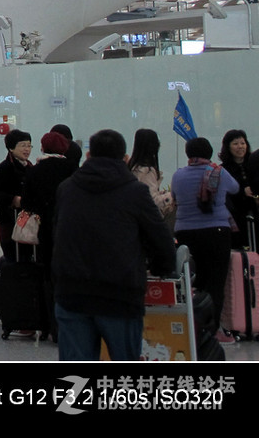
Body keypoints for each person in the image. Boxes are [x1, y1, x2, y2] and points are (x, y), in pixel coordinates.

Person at [51, 128, 177, 361]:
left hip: (72, 294)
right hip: (120, 296)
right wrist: (161, 267)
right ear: (125, 158)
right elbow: (161, 240)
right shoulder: (136, 192)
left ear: (88, 156)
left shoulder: (67, 189)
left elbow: (54, 235)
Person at [173, 135, 239, 346]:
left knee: (195, 281)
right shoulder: (219, 172)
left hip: (185, 233)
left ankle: (194, 326)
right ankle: (212, 330)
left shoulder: (178, 175)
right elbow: (235, 188)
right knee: (216, 282)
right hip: (216, 231)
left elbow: (174, 197)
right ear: (210, 152)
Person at [20, 130, 74, 267]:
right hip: (68, 222)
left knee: (46, 261)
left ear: (43, 147)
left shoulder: (35, 170)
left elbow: (26, 201)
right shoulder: (72, 169)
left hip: (44, 223)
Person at [0, 129, 32, 261]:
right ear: (11, 148)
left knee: (27, 256)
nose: (27, 149)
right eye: (23, 145)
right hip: (9, 221)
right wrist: (12, 199)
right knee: (12, 256)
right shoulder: (4, 168)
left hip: (28, 223)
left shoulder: (30, 168)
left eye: (29, 145)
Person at [128, 127, 174, 229]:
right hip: (146, 224)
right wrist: (171, 196)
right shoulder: (147, 171)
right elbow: (153, 201)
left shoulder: (132, 167)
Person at [219, 129, 255, 247]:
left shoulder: (254, 164)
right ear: (228, 147)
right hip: (235, 218)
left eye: (242, 143)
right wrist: (241, 192)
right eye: (235, 144)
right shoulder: (223, 169)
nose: (240, 147)